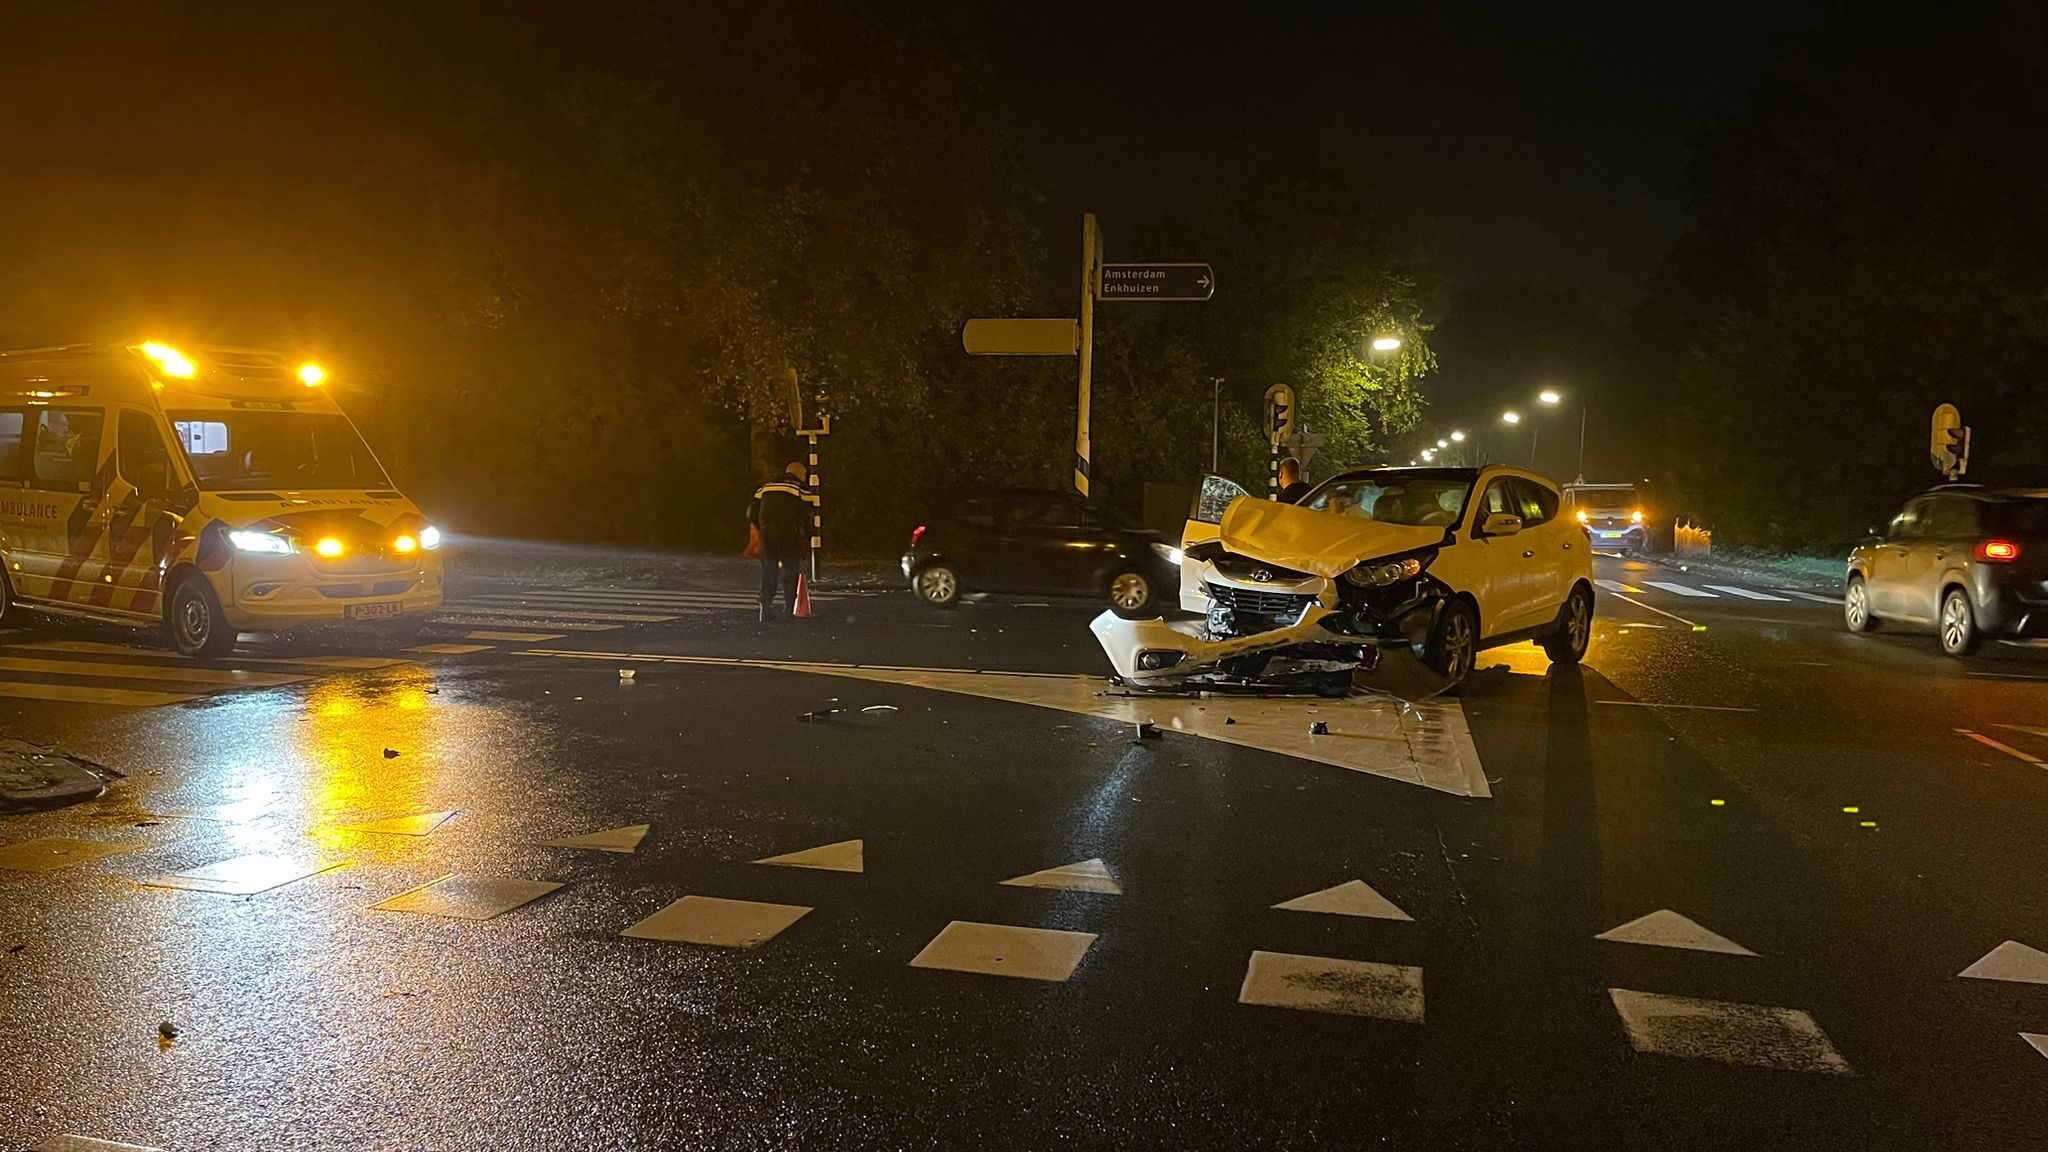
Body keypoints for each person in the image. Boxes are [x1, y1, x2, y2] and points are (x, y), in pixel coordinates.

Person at [747, 462, 810, 620]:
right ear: (799, 474)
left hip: (767, 532)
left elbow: (752, 512)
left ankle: (765, 608)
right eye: (804, 475)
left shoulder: (766, 486)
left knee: (769, 570)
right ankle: (788, 607)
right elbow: (807, 512)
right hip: (788, 532)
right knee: (791, 568)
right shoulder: (798, 488)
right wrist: (808, 533)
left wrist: (761, 526)